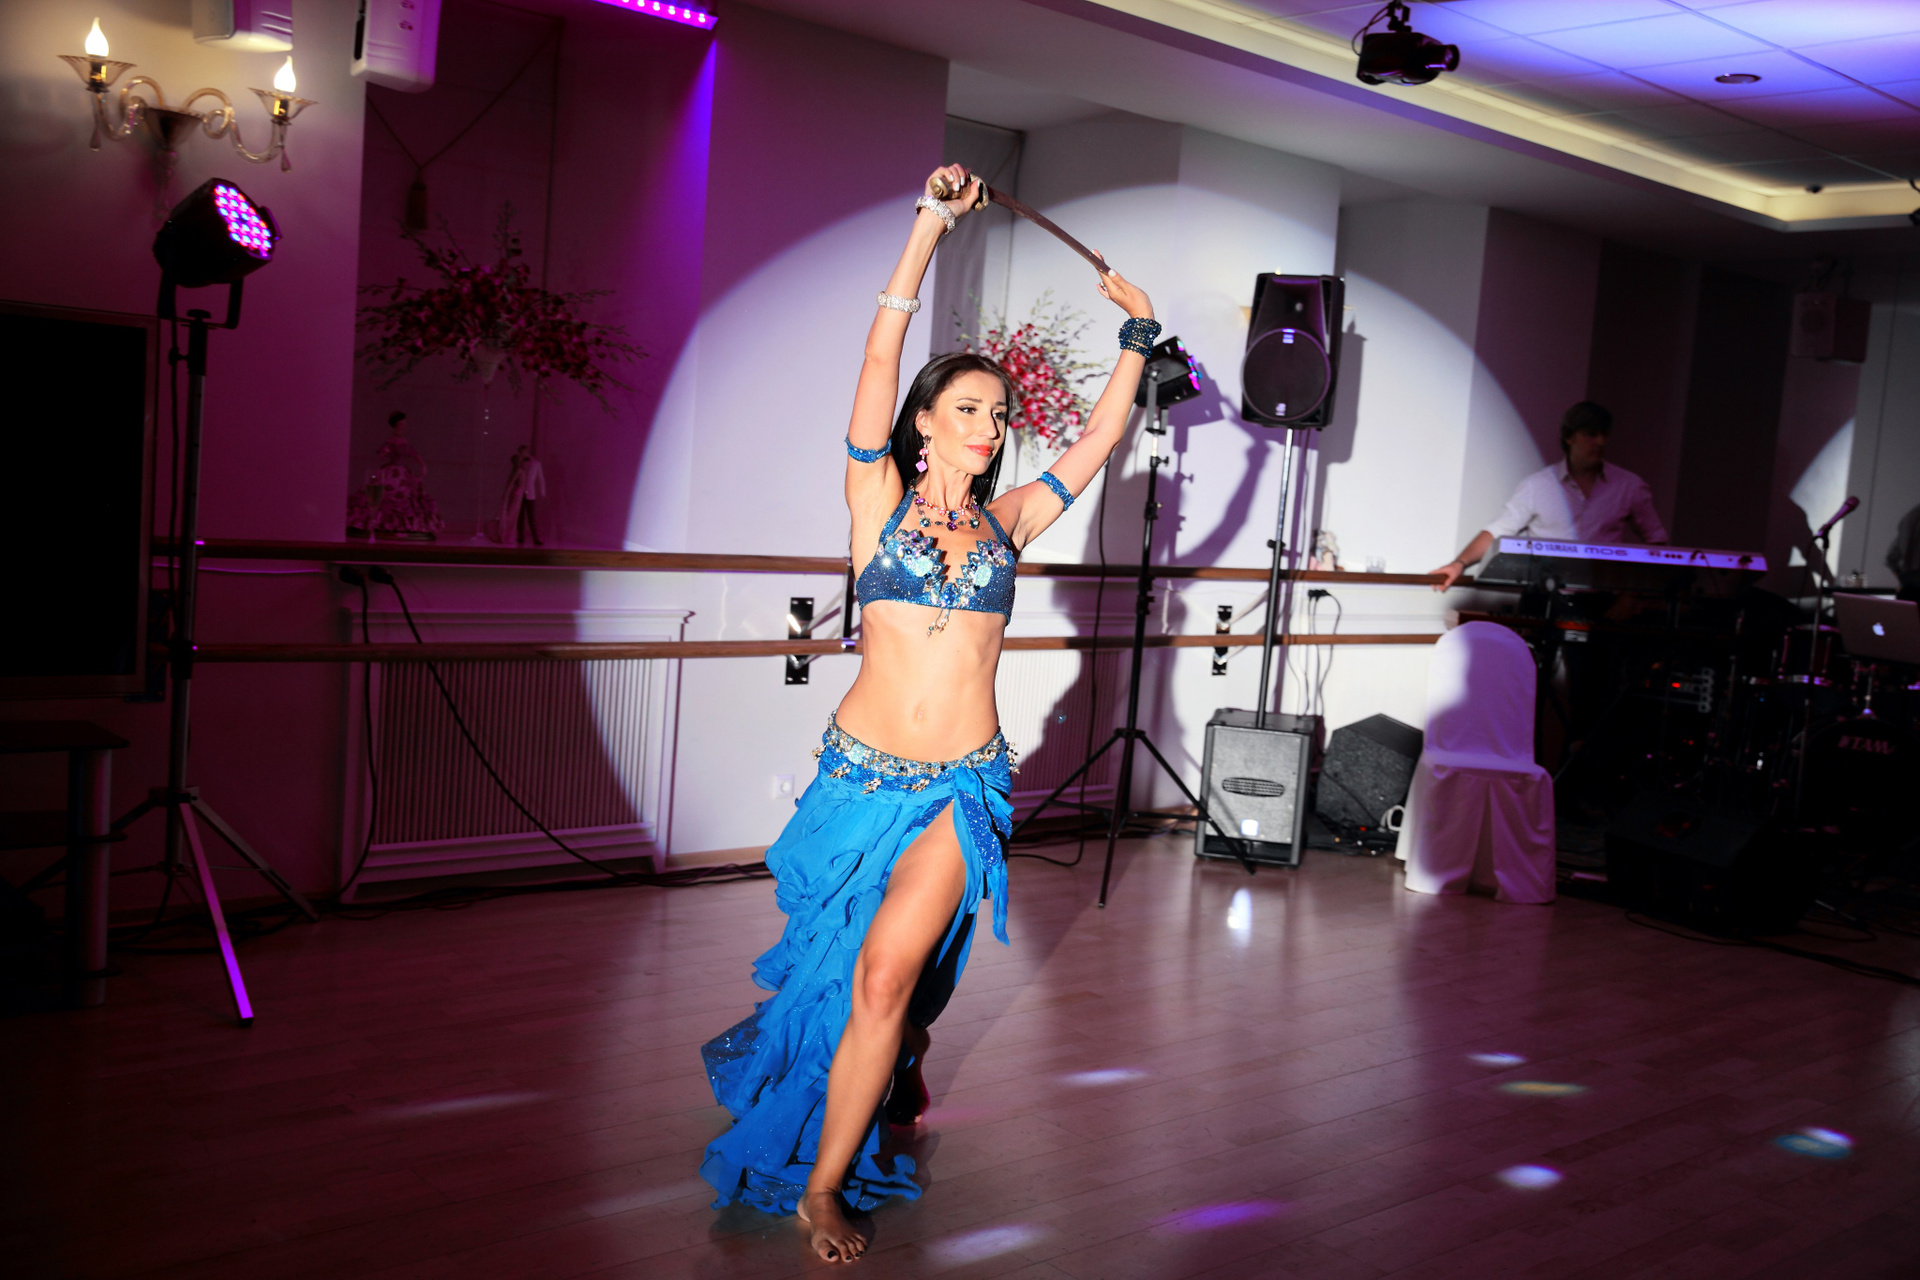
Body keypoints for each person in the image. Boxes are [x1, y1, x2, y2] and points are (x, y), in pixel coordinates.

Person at [698, 164, 1157, 1264]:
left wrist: (1138, 335)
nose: (990, 428)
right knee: (845, 977)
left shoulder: (1011, 522)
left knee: (887, 977)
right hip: (858, 782)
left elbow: (1097, 443)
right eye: (968, 411)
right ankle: (894, 1060)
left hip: (960, 784)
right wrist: (929, 228)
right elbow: (877, 357)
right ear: (923, 422)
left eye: (999, 415)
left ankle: (821, 1189)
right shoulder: (875, 502)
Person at [1430, 401, 1667, 589]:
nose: (1601, 442)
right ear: (1569, 437)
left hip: (1603, 601)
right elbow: (1497, 530)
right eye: (1591, 434)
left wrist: (1635, 594)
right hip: (1544, 597)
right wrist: (1459, 563)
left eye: (1604, 435)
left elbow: (1657, 543)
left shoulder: (1629, 486)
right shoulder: (1538, 486)